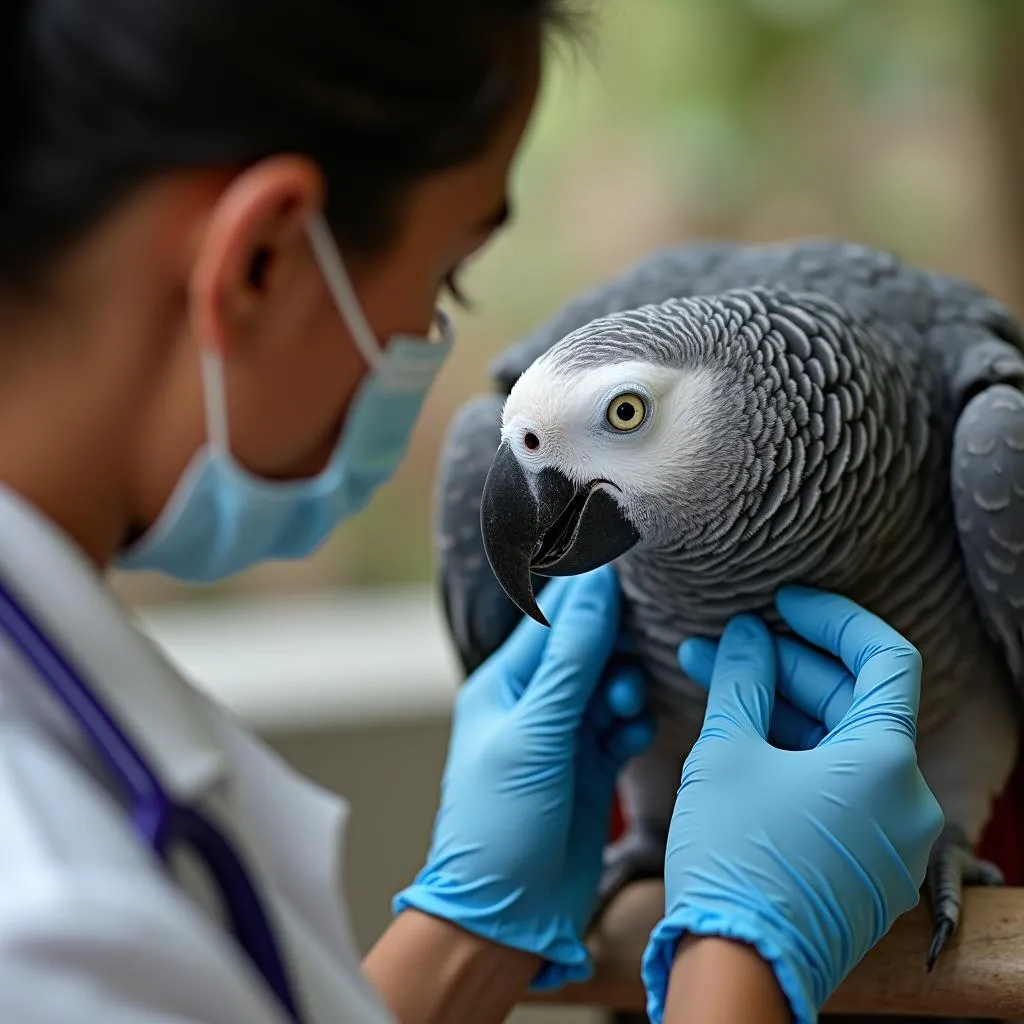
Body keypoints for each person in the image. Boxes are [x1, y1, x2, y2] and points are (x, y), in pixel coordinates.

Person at [0, 3, 943, 1023]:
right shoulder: (49, 915)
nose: (432, 340)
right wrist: (742, 967)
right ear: (263, 259)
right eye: (443, 270)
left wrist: (465, 937)